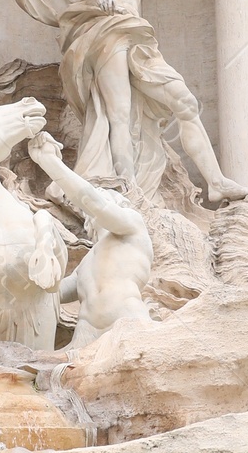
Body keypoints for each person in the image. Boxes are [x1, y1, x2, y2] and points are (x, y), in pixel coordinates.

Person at [15, 0, 248, 204]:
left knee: (185, 101)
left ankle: (217, 181)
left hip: (136, 33)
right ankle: (127, 189)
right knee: (119, 114)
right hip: (107, 29)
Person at [27, 133, 154, 347]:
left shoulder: (133, 227)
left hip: (127, 318)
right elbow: (51, 294)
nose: (89, 210)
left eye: (103, 195)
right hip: (85, 332)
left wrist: (49, 162)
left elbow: (94, 204)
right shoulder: (86, 263)